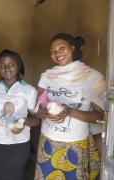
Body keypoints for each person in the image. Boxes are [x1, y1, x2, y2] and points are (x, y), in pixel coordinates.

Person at [34, 33, 106, 180]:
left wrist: (69, 111)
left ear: (72, 48)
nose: (57, 53)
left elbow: (99, 116)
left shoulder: (92, 76)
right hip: (48, 141)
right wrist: (44, 113)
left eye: (62, 48)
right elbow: (36, 110)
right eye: (53, 51)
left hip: (76, 143)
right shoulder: (47, 76)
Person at [0, 49, 38, 180]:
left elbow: (36, 120)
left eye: (11, 64)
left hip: (19, 143)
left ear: (18, 66)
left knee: (15, 175)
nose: (6, 68)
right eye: (2, 65)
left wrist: (23, 122)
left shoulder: (29, 90)